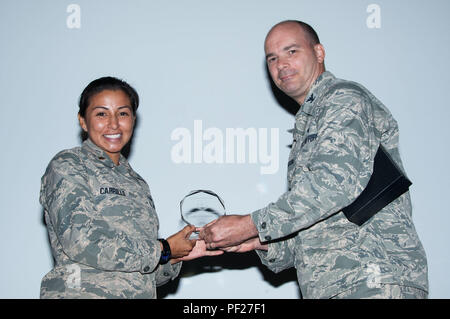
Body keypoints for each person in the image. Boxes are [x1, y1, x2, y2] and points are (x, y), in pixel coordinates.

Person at [200, 20, 429, 299]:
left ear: (319, 52)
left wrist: (249, 224)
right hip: (335, 285)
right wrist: (256, 240)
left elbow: (333, 186)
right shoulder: (307, 124)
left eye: (291, 51)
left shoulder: (343, 98)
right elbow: (316, 225)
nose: (281, 64)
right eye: (272, 58)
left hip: (371, 279)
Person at [40, 76, 222, 298]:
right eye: (101, 114)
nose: (114, 123)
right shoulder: (69, 165)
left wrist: (173, 257)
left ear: (134, 120)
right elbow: (80, 241)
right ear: (82, 121)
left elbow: (142, 275)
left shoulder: (136, 183)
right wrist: (163, 249)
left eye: (123, 113)